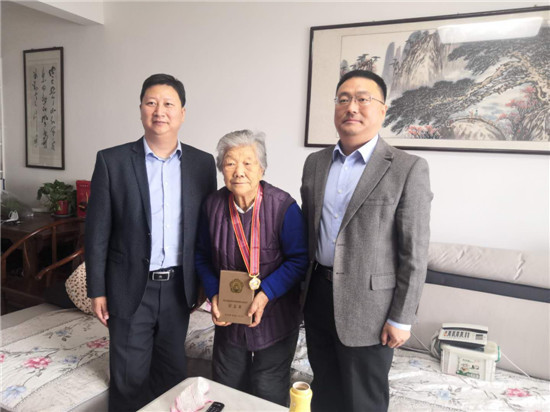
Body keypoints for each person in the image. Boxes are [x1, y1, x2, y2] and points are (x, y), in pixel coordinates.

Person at [300, 70, 433, 412]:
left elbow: (414, 253)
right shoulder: (315, 163)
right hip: (318, 297)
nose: (352, 107)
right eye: (343, 99)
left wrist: (402, 318)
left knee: (363, 402)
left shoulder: (407, 168)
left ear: (383, 109)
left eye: (363, 99)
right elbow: (307, 232)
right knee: (324, 392)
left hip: (370, 310)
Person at [85, 73, 217, 411]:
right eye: (151, 103)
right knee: (129, 379)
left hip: (178, 288)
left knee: (172, 376)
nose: (160, 111)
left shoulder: (202, 164)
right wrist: (96, 289)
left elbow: (206, 230)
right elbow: (97, 231)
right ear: (141, 109)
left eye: (169, 104)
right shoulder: (112, 161)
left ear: (182, 113)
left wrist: (204, 284)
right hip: (130, 286)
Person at [195, 129, 308, 406]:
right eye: (230, 163)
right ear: (222, 169)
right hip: (230, 318)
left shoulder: (283, 207)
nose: (239, 171)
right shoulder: (212, 206)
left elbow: (299, 260)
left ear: (262, 169)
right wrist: (214, 294)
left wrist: (266, 293)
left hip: (275, 317)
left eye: (248, 163)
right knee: (226, 389)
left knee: (268, 390)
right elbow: (202, 256)